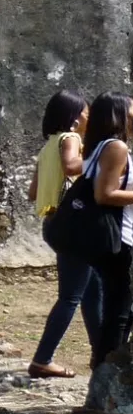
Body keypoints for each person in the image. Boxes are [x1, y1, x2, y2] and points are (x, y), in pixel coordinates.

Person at [28, 91, 99, 378]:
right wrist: (99, 159)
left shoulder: (47, 147)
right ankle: (43, 359)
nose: (89, 117)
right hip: (73, 227)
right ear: (74, 117)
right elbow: (72, 166)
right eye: (85, 112)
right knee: (71, 296)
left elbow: (33, 192)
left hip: (53, 222)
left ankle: (102, 354)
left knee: (94, 291)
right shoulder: (70, 140)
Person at [80, 93, 133, 369]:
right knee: (119, 312)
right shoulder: (116, 148)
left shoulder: (100, 146)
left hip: (111, 237)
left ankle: (106, 370)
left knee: (120, 309)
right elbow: (104, 194)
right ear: (120, 114)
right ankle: (105, 377)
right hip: (119, 238)